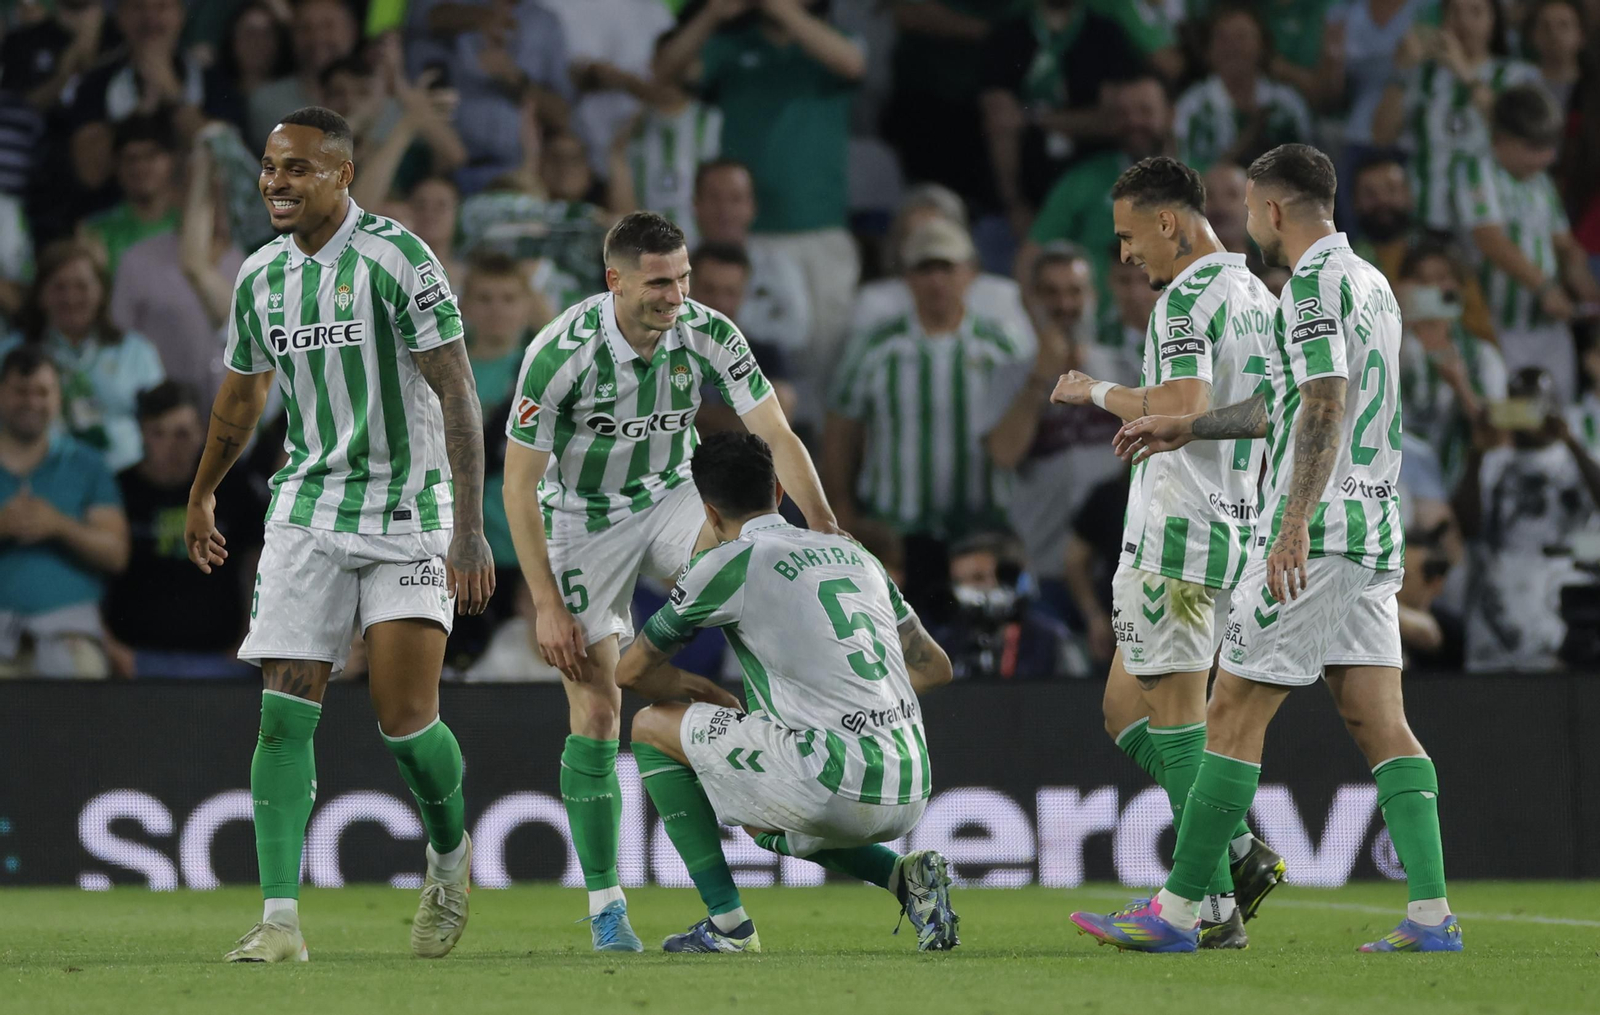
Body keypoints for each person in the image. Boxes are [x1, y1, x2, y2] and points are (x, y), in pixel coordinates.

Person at [1089, 144, 1458, 954]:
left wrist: (1293, 522)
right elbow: (1285, 406)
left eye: (1251, 207)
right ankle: (1432, 916)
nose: (1247, 221)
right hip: (1373, 524)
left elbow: (1323, 401)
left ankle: (1183, 911)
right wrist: (1190, 424)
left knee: (1228, 714)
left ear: (1274, 210)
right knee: (1378, 719)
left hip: (1317, 532)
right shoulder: (1373, 283)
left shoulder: (1313, 285)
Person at [184, 106, 494, 963]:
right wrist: (203, 490)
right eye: (270, 167)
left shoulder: (398, 260)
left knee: (405, 722)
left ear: (343, 175)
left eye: (298, 168)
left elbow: (458, 389)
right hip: (308, 512)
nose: (277, 183)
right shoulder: (260, 276)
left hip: (407, 514)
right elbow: (243, 395)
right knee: (282, 716)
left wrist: (469, 527)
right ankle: (280, 921)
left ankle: (449, 856)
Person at [500, 210, 839, 952]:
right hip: (582, 522)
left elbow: (775, 432)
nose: (676, 295)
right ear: (615, 281)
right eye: (659, 282)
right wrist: (546, 604)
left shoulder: (708, 331)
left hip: (673, 498)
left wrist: (823, 522)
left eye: (682, 278)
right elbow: (518, 485)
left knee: (763, 573)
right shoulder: (559, 352)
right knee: (596, 708)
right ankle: (606, 907)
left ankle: (804, 737)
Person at [1047, 156, 1284, 948]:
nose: (1125, 254)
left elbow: (1182, 406)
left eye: (1128, 236)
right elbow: (1268, 412)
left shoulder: (1183, 299)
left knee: (1179, 719)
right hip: (1235, 526)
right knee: (1123, 707)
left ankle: (1206, 906)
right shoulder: (1256, 295)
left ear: (1169, 221)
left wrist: (1095, 392)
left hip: (1178, 532)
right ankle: (1238, 849)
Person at [615, 430, 959, 953]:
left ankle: (729, 926)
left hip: (830, 781)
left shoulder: (726, 563)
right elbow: (936, 669)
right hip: (914, 784)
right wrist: (854, 703)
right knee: (754, 797)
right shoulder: (854, 553)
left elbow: (630, 673)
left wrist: (699, 688)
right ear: (778, 491)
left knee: (649, 728)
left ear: (709, 512)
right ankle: (904, 877)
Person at [657, 0, 866, 372]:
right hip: (744, 234)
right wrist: (712, 13)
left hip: (817, 229)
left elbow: (853, 64)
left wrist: (777, 7)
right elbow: (666, 71)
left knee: (825, 363)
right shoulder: (732, 45)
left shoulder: (834, 41)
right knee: (740, 360)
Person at [824, 218, 1030, 562]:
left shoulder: (1004, 346)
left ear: (970, 273)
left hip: (984, 528)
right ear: (906, 277)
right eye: (924, 269)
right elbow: (841, 429)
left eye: (946, 268)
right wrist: (842, 510)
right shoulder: (875, 347)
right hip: (896, 529)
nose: (936, 281)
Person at [981, 243, 1122, 620]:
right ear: (1032, 302)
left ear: (1093, 297)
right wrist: (1041, 377)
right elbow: (1003, 455)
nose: (1064, 305)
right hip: (1044, 566)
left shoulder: (1125, 368)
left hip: (1117, 564)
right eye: (1051, 293)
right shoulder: (1008, 376)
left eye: (1074, 291)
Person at [103, 381, 262, 678]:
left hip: (221, 658)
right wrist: (110, 647)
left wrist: (250, 638)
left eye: (182, 434)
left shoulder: (234, 488)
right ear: (141, 433)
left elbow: (258, 566)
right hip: (133, 658)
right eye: (158, 433)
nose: (171, 447)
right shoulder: (117, 491)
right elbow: (92, 572)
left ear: (202, 432)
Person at [1452, 84, 1600, 402]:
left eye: (1550, 147)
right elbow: (1489, 239)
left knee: (1560, 414)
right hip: (1498, 328)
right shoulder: (1477, 170)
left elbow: (1563, 242)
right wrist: (1544, 287)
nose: (1547, 158)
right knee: (1514, 417)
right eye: (1534, 147)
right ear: (1501, 139)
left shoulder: (1540, 181)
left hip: (1550, 328)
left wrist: (1580, 276)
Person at [1455, 367, 1600, 671]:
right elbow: (1469, 527)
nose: (1528, 414)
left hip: (1561, 573)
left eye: (1535, 404)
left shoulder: (1573, 460)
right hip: (1504, 575)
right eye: (1519, 404)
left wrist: (1570, 441)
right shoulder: (1494, 461)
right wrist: (1477, 451)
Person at [0, 346, 129, 679]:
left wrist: (58, 526)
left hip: (71, 636)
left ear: (58, 398)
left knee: (85, 678)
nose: (32, 402)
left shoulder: (87, 464)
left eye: (43, 392)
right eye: (20, 391)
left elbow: (116, 554)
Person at [1372, 0, 1538, 230]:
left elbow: (1518, 134)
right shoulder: (1422, 75)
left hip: (1492, 220)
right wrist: (1401, 71)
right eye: (1455, 12)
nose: (1464, 22)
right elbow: (1381, 136)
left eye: (1475, 12)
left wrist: (1465, 72)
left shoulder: (1515, 76)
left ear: (1494, 21)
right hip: (1425, 215)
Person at [1, 240, 165, 472]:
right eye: (59, 287)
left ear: (101, 292)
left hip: (124, 475)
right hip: (38, 476)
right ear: (40, 294)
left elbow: (162, 422)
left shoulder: (136, 351)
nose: (70, 298)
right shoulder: (10, 354)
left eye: (82, 286)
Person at [1021, 73, 1173, 306]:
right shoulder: (1083, 179)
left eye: (1145, 111)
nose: (1134, 121)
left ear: (1171, 114)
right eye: (1123, 114)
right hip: (1096, 324)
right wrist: (1044, 324)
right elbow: (1030, 258)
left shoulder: (1207, 180)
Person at [405, 0, 575, 195]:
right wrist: (478, 16)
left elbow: (562, 114)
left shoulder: (545, 22)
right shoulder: (450, 9)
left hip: (517, 171)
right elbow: (424, 18)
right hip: (445, 164)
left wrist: (512, 76)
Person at [1395, 241, 1507, 484]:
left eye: (1441, 278)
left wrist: (1461, 386)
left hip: (1457, 478)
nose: (1432, 288)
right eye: (1421, 280)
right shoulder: (1390, 345)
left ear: (1458, 288)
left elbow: (1499, 436)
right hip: (1396, 473)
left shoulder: (1482, 355)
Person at [693, 160, 812, 363]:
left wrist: (739, 323)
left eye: (736, 199)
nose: (724, 211)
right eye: (714, 198)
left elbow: (798, 334)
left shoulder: (779, 266)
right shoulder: (673, 265)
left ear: (752, 207)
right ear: (696, 204)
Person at [611, 32, 722, 249]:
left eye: (683, 61)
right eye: (669, 60)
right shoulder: (629, 128)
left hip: (702, 252)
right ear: (653, 65)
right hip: (646, 252)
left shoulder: (711, 122)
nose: (675, 69)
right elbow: (621, 200)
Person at [1173, 5, 1314, 173]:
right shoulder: (1191, 108)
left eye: (1242, 37)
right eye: (1223, 38)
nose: (1233, 47)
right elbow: (1182, 174)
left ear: (1262, 47)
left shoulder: (1288, 105)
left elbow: (1307, 173)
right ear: (1208, 51)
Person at [932, 531, 1084, 680]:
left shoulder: (1050, 640)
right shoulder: (945, 644)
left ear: (1010, 579)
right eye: (958, 582)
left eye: (978, 578)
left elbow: (1075, 693)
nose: (966, 591)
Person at [686, 242, 800, 428]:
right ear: (689, 288)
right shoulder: (662, 347)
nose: (719, 302)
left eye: (730, 292)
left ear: (744, 294)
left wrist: (695, 413)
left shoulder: (766, 355)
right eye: (709, 290)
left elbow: (774, 421)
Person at [246, 0, 360, 150]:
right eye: (305, 29)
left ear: (351, 31)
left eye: (328, 26)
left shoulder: (382, 99)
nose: (317, 37)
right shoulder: (268, 102)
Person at [79, 114, 179, 277]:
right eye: (131, 159)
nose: (140, 167)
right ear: (116, 165)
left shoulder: (191, 223)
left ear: (171, 160)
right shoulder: (96, 231)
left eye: (150, 156)